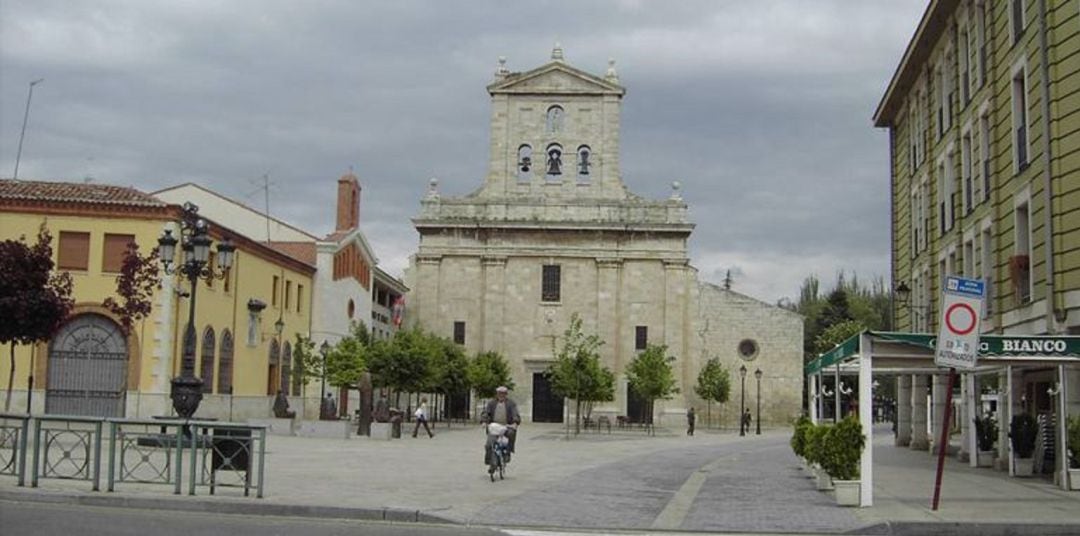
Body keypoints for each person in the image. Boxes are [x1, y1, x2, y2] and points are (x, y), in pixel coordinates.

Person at [481, 386, 521, 465]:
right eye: (499, 393)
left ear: (506, 394)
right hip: (494, 426)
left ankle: (508, 453)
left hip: (507, 426)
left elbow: (515, 413)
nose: (501, 395)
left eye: (503, 394)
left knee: (511, 434)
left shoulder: (511, 403)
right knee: (489, 444)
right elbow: (486, 413)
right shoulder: (491, 403)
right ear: (497, 394)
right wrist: (484, 421)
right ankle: (489, 460)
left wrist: (515, 422)